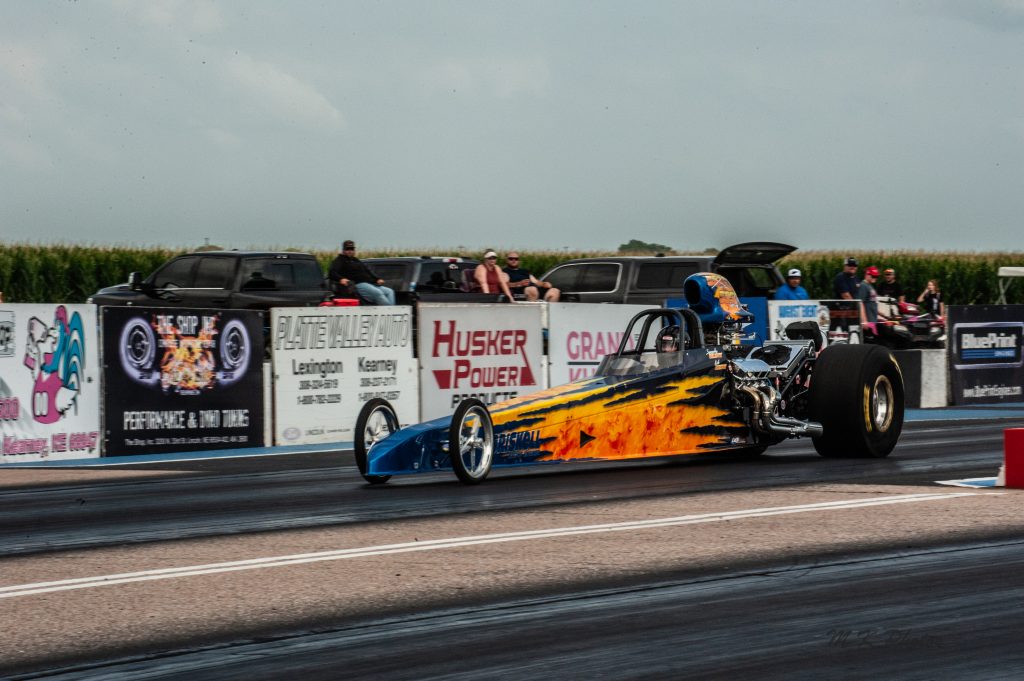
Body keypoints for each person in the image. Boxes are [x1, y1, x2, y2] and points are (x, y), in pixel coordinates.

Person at [327, 240, 396, 305]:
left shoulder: (355, 260)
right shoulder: (340, 260)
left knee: (389, 291)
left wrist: (377, 279)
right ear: (343, 250)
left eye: (352, 249)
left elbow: (367, 271)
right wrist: (341, 279)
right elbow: (332, 272)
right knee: (377, 293)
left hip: (370, 283)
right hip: (358, 284)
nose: (350, 251)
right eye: (347, 249)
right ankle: (389, 310)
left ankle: (392, 309)